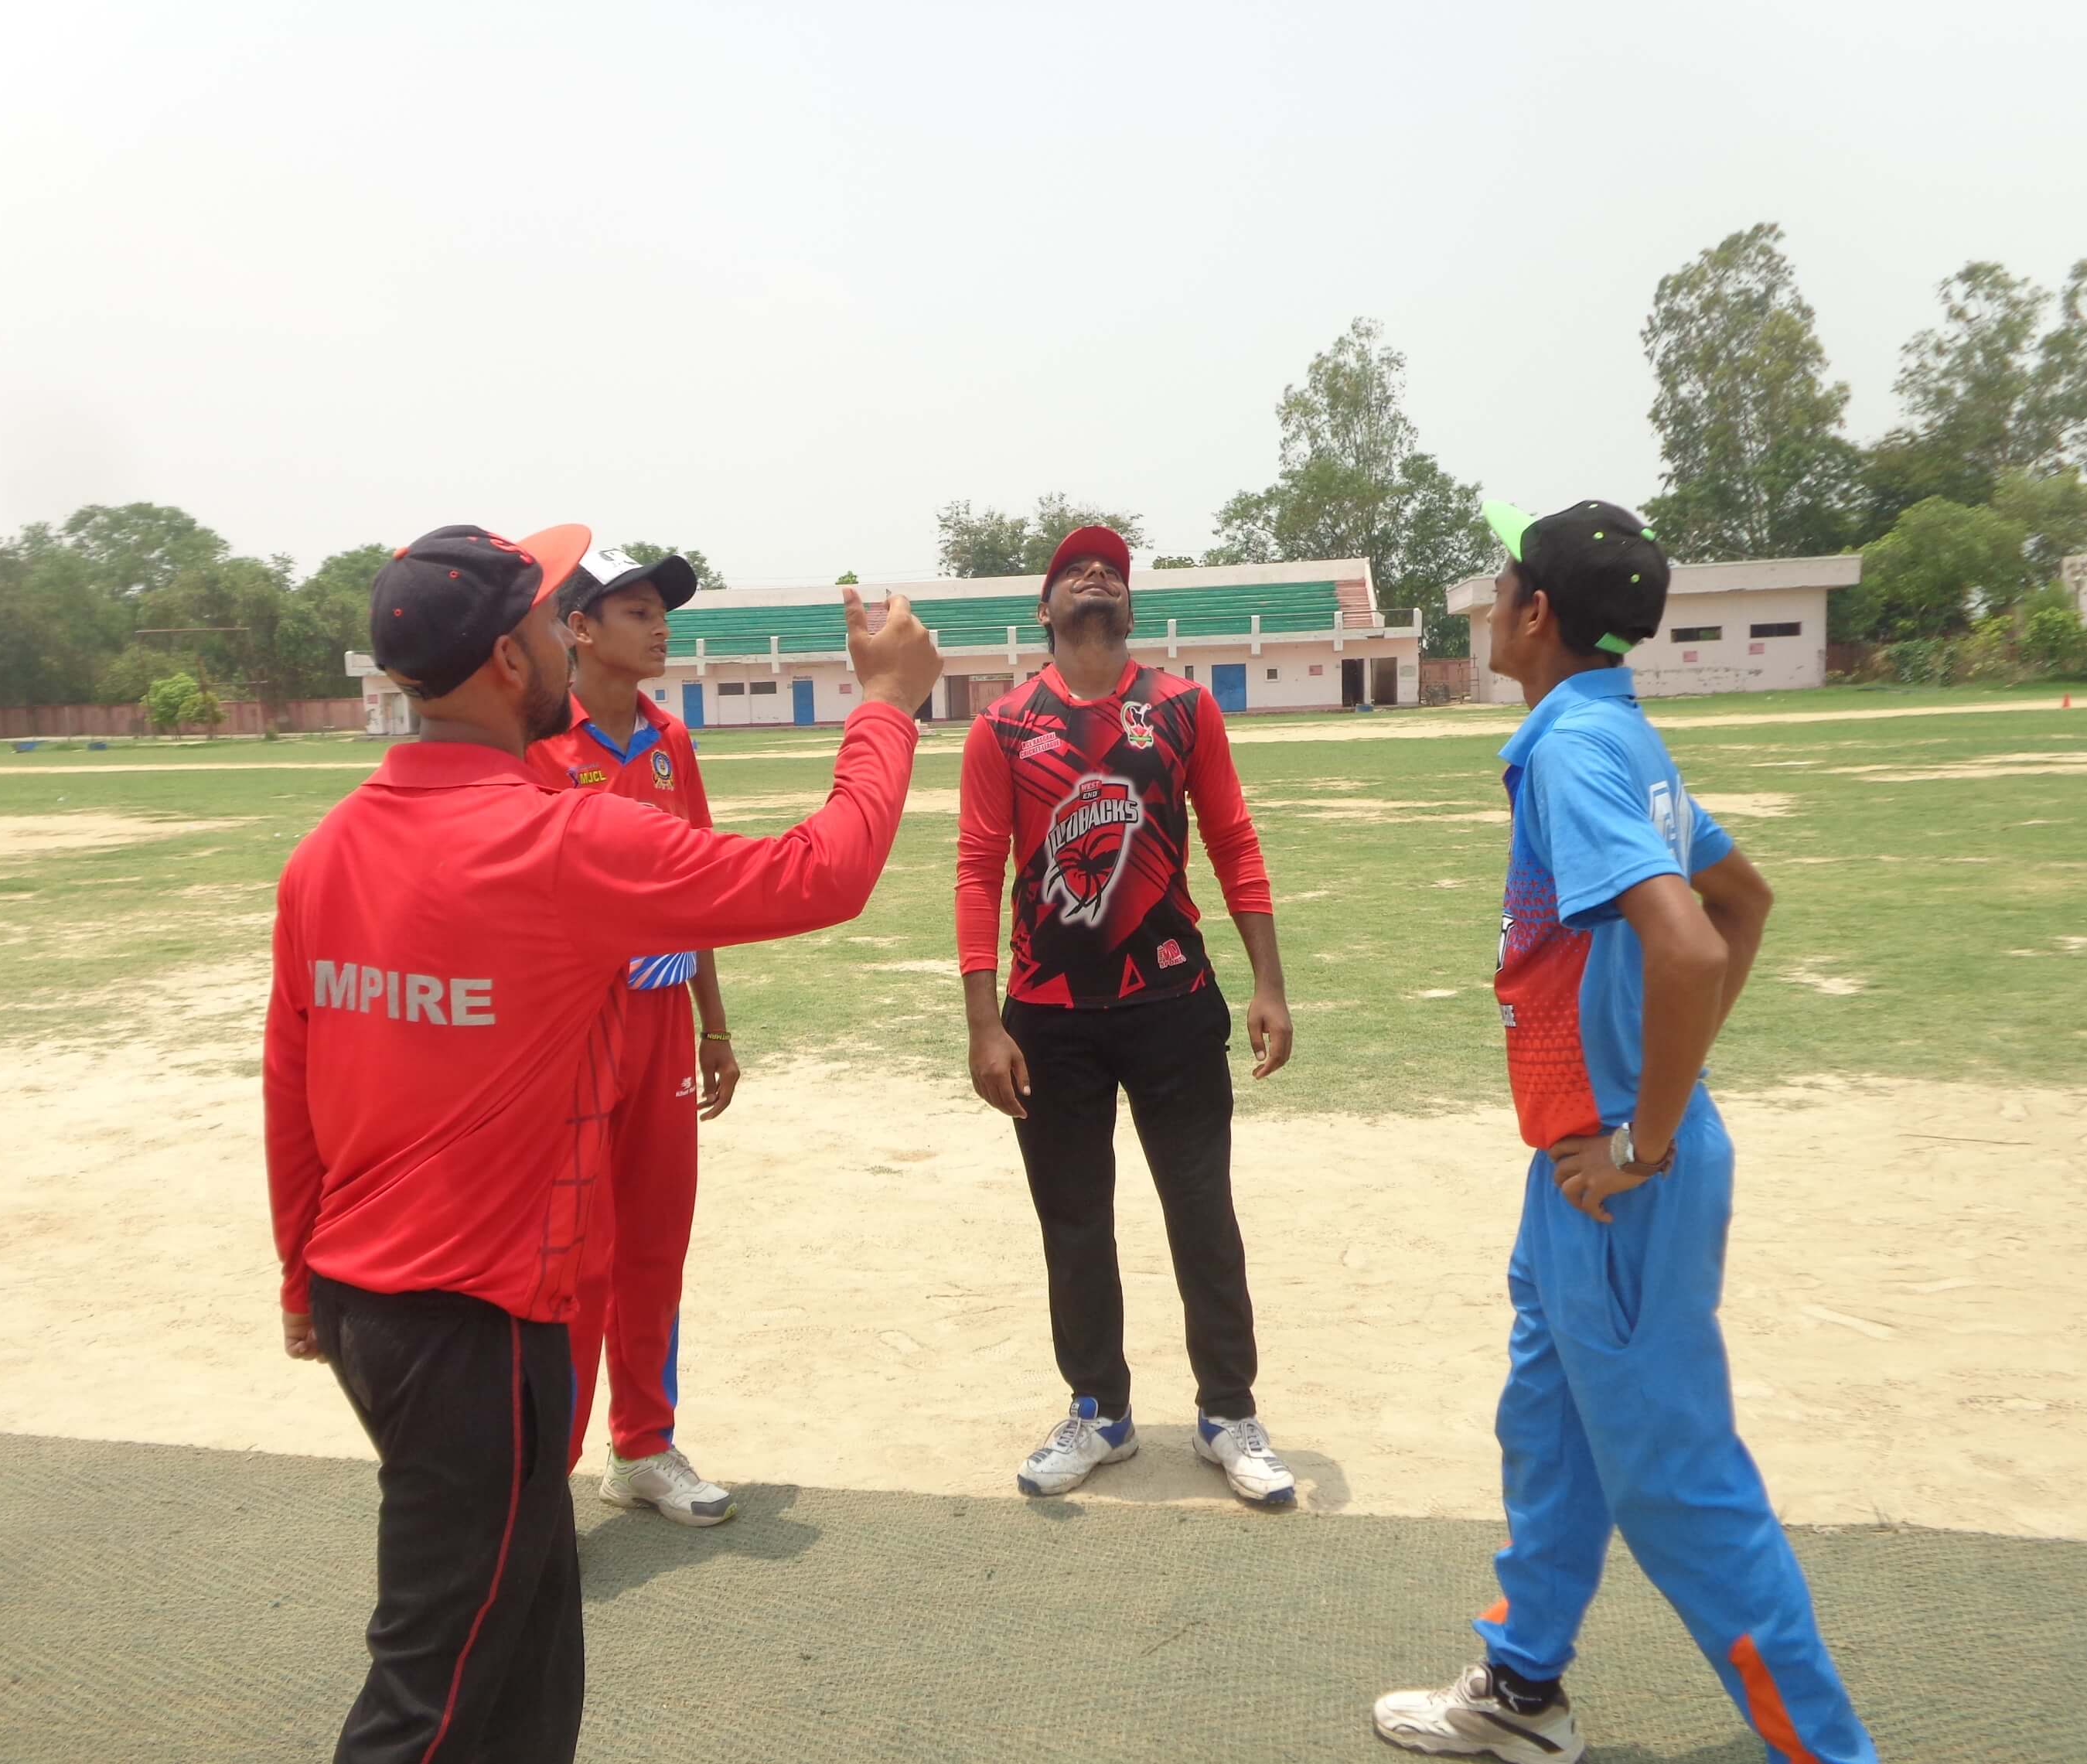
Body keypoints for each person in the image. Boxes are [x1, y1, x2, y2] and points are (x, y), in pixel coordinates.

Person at [265, 521, 941, 1764]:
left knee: (525, 1647)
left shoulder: (328, 851)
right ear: (512, 662)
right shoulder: (553, 841)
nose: (560, 624)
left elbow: (291, 1082)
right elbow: (820, 873)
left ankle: (640, 1443)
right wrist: (888, 704)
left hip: (370, 1302)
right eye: (542, 610)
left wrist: (300, 1277)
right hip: (476, 1323)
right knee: (434, 1690)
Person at [1372, 502, 1874, 1764]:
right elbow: (1744, 900)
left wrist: (1646, 1135)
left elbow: (1696, 937)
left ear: (1535, 615)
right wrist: (1661, 1099)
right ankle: (1521, 1685)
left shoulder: (1570, 752)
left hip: (1619, 1181)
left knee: (1680, 1491)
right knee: (1546, 1423)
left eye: (1498, 587)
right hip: (1582, 1179)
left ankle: (1827, 1752)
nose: (1486, 604)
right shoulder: (1618, 734)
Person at [955, 524, 1299, 1506]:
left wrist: (1267, 982)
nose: (1093, 575)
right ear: (1045, 607)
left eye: (1108, 567)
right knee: (1073, 1219)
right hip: (1048, 1013)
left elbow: (1233, 840)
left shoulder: (1182, 708)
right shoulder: (1004, 726)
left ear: (1128, 602)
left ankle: (1227, 1411)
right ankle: (1097, 1409)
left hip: (1173, 1002)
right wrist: (985, 1022)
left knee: (1202, 1213)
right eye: (1072, 570)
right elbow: (979, 870)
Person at [521, 544, 740, 1525]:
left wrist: (713, 1026)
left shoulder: (669, 743)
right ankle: (544, 1478)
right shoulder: (534, 745)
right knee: (574, 1256)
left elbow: (693, 893)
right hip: (566, 1035)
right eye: (636, 609)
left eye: (663, 610)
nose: (659, 626)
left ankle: (642, 1446)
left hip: (658, 1027)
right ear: (577, 626)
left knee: (655, 1240)